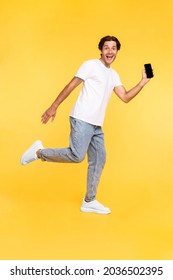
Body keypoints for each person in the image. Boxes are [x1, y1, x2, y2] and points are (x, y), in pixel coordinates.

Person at [20, 35, 153, 215]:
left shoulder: (113, 75)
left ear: (117, 52)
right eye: (106, 47)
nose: (110, 51)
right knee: (77, 155)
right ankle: (38, 152)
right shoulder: (90, 65)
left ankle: (89, 201)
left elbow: (126, 97)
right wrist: (54, 106)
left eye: (113, 48)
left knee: (99, 159)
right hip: (81, 118)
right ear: (101, 50)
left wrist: (143, 82)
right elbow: (71, 85)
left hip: (96, 125)